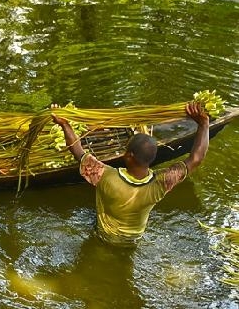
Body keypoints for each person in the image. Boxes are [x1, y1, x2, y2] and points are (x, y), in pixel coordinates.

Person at [51, 101, 210, 246]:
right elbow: (196, 158)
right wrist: (203, 125)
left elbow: (77, 151)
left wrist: (65, 124)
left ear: (129, 156)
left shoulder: (105, 176)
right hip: (133, 241)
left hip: (104, 237)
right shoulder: (161, 183)